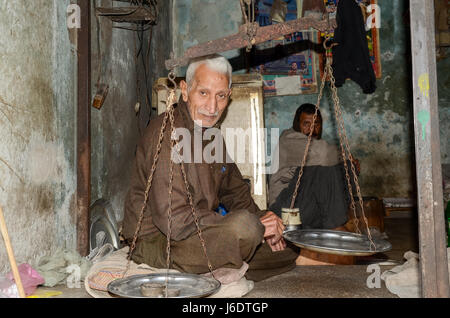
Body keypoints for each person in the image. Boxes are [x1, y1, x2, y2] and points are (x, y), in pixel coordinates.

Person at [122, 54, 298, 282]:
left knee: (286, 250)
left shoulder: (212, 136)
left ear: (229, 96)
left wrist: (266, 221)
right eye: (203, 93)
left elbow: (237, 193)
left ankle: (227, 265)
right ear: (185, 90)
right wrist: (254, 226)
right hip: (158, 242)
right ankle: (228, 263)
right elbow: (174, 222)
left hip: (200, 234)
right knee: (246, 229)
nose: (212, 107)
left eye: (221, 96)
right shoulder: (167, 134)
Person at [269, 103, 360, 230]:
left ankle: (336, 219)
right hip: (284, 209)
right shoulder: (289, 139)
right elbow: (324, 154)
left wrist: (349, 163)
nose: (312, 129)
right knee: (317, 166)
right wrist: (344, 157)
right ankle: (336, 226)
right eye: (306, 124)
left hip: (306, 206)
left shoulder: (316, 143)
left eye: (316, 124)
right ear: (297, 125)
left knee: (347, 167)